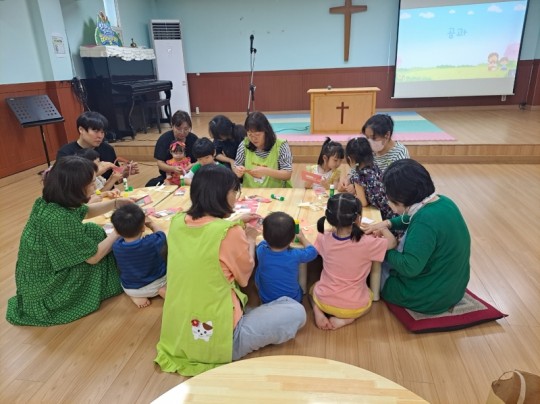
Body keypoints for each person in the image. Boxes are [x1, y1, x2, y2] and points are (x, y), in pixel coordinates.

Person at [155, 164, 306, 376]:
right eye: (234, 191)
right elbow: (244, 277)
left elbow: (206, 237)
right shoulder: (229, 232)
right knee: (295, 310)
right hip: (220, 340)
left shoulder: (177, 222)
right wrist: (250, 238)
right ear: (222, 194)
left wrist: (234, 223)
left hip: (179, 335)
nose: (236, 197)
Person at [6, 156, 133, 326]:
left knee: (93, 231)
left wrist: (116, 203)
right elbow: (93, 258)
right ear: (75, 187)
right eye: (92, 183)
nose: (95, 186)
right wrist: (119, 230)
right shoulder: (59, 219)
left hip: (35, 278)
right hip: (48, 286)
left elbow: (83, 211)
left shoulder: (49, 202)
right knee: (97, 252)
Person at [361, 159, 471, 314]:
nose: (388, 202)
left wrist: (387, 247)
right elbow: (410, 218)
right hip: (454, 289)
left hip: (428, 297)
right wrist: (388, 223)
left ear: (401, 199)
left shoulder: (424, 221)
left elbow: (409, 267)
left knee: (370, 271)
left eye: (390, 198)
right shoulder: (443, 201)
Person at [310, 193, 396, 331]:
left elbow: (324, 246)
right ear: (358, 219)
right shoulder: (368, 243)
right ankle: (346, 320)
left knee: (313, 288)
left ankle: (318, 311)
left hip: (324, 302)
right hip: (354, 307)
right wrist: (383, 228)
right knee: (369, 299)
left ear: (329, 218)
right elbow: (392, 243)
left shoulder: (322, 237)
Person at [111, 204, 167, 308]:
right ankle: (162, 290)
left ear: (117, 231)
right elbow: (161, 234)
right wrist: (151, 224)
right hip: (158, 283)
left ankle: (137, 296)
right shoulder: (151, 242)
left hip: (131, 289)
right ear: (143, 228)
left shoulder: (116, 246)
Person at [255, 212, 318, 304]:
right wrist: (302, 238)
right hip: (292, 300)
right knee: (300, 289)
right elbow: (313, 252)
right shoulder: (295, 254)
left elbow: (263, 242)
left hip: (266, 299)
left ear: (264, 236)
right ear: (292, 239)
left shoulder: (260, 250)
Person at [56, 111, 139, 179]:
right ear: (81, 130)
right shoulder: (66, 153)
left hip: (108, 193)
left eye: (102, 132)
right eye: (96, 131)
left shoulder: (107, 149)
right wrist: (97, 172)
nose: (100, 136)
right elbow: (67, 184)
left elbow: (115, 179)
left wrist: (125, 173)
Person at [234, 111, 293, 188]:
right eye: (250, 135)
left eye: (257, 134)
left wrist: (266, 171)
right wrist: (238, 171)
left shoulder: (281, 145)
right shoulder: (244, 144)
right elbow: (236, 167)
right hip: (250, 192)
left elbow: (287, 174)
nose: (253, 139)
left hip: (275, 191)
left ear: (266, 132)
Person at [344, 137, 395, 221]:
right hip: (394, 210)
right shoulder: (374, 167)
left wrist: (355, 194)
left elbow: (363, 203)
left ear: (349, 159)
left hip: (386, 217)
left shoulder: (358, 176)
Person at [147, 110, 198, 186]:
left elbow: (201, 160)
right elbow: (160, 163)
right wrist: (172, 169)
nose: (182, 132)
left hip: (191, 176)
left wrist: (192, 166)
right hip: (170, 177)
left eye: (186, 129)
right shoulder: (164, 139)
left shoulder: (193, 139)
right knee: (150, 185)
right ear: (172, 126)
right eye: (179, 129)